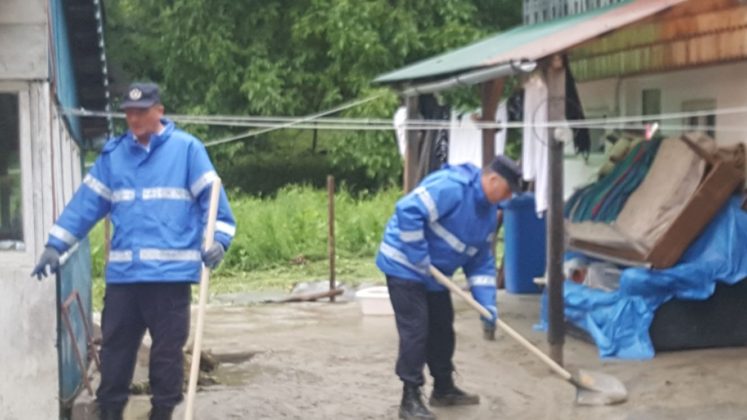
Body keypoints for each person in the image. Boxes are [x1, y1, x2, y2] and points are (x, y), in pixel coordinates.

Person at [31, 82, 236, 420]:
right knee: (115, 356)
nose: (134, 118)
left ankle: (162, 414)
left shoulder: (187, 150)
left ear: (159, 111)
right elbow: (85, 205)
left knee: (166, 357)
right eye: (128, 112)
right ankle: (109, 414)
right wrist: (56, 245)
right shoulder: (114, 156)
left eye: (141, 111)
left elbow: (215, 206)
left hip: (169, 281)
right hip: (125, 281)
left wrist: (218, 242)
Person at [376, 156, 521, 420]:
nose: (508, 197)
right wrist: (417, 253)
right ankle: (409, 398)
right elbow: (408, 210)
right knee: (417, 330)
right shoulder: (452, 186)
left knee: (442, 327)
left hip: (434, 273)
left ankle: (443, 388)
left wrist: (487, 304)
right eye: (508, 190)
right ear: (493, 180)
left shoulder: (489, 214)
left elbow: (480, 262)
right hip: (404, 264)